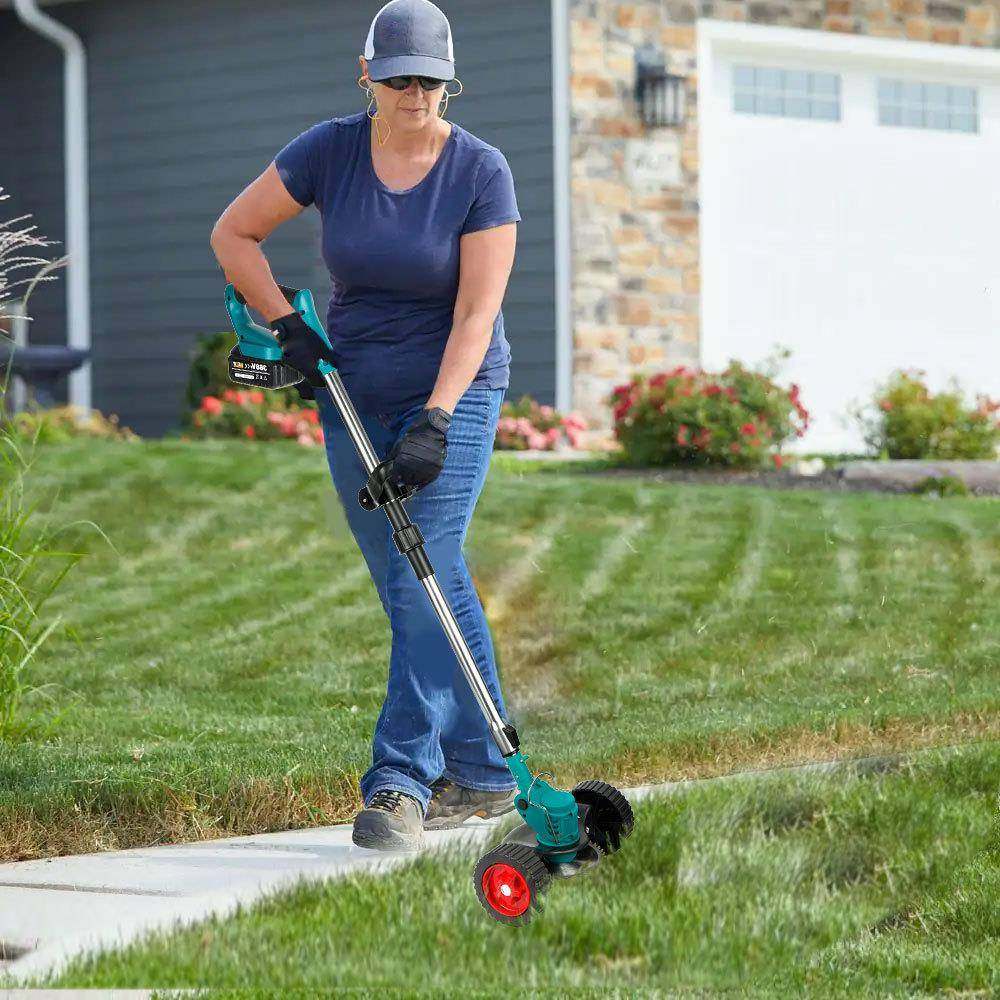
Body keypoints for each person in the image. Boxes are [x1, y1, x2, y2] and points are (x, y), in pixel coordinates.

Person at [210, 0, 521, 852]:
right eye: (399, 79)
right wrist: (290, 329)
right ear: (368, 77)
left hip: (452, 389)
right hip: (350, 387)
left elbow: (475, 313)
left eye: (430, 80)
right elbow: (234, 233)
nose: (415, 93)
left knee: (434, 559)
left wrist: (437, 420)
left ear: (448, 84)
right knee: (408, 579)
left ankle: (399, 783)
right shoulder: (329, 149)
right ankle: (488, 771)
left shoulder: (481, 171)